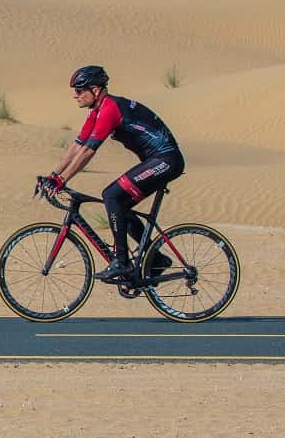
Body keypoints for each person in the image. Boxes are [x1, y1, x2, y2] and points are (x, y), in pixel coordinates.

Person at [37, 65, 185, 286]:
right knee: (119, 203)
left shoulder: (110, 109)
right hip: (157, 160)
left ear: (95, 90)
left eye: (79, 90)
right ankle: (156, 259)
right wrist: (54, 175)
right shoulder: (96, 111)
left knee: (112, 196)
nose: (74, 95)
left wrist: (63, 180)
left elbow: (88, 151)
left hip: (166, 160)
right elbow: (77, 146)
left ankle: (122, 262)